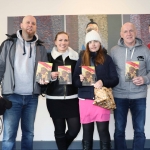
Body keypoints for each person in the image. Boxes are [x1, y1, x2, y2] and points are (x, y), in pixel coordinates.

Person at [0, 15, 48, 150]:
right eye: (28, 22)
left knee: (29, 134)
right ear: (21, 25)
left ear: (36, 27)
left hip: (32, 97)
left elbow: (44, 72)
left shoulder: (41, 48)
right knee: (9, 135)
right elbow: (0, 66)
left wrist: (46, 81)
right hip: (11, 96)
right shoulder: (8, 44)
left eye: (33, 23)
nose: (30, 25)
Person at [73, 30, 119, 150]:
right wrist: (80, 80)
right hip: (85, 100)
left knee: (103, 131)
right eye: (90, 42)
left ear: (100, 43)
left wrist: (103, 82)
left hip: (102, 100)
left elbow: (115, 79)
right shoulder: (82, 58)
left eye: (96, 41)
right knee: (87, 133)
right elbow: (75, 82)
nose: (93, 44)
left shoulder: (107, 59)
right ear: (87, 45)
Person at [110, 22, 150, 150]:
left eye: (131, 31)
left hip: (139, 95)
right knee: (119, 130)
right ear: (121, 34)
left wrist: (144, 79)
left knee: (139, 130)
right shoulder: (114, 50)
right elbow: (110, 72)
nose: (129, 34)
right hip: (119, 95)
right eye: (125, 31)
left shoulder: (145, 50)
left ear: (136, 32)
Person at [46, 31, 81, 150]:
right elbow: (40, 79)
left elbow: (79, 76)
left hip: (72, 98)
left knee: (74, 129)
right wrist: (50, 76)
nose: (63, 42)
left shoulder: (76, 57)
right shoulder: (47, 57)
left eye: (65, 40)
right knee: (59, 130)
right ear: (55, 42)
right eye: (60, 40)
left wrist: (80, 78)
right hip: (54, 99)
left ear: (69, 42)